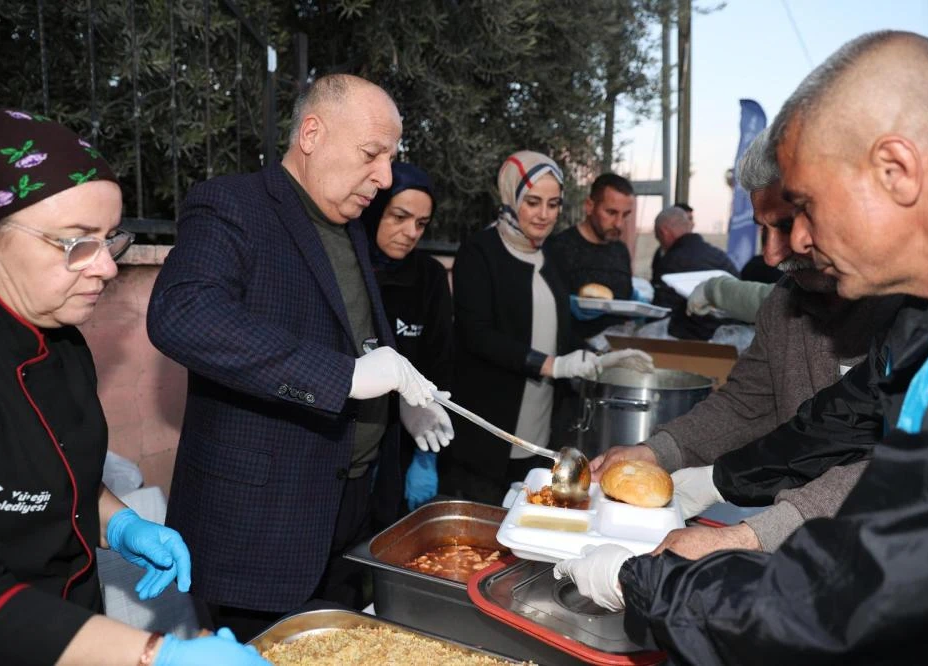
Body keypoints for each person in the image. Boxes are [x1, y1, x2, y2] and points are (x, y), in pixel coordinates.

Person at [556, 31, 928, 663]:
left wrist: (642, 583)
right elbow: (828, 426)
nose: (797, 243)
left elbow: (844, 609)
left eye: (805, 208)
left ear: (896, 170)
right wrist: (702, 476)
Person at [147, 74, 448, 638]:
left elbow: (353, 331)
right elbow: (182, 315)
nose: (384, 177)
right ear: (312, 133)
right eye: (371, 154)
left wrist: (402, 392)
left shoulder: (350, 225)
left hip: (350, 506)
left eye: (391, 159)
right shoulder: (231, 204)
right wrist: (345, 377)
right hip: (266, 523)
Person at [0, 110, 267, 665]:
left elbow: (61, 483)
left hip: (74, 628)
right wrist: (151, 654)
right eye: (76, 243)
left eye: (109, 239)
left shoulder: (64, 344)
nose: (107, 268)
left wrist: (120, 524)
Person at [591, 125, 904, 558]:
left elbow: (896, 462)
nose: (773, 255)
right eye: (764, 231)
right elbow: (748, 403)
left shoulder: (913, 309)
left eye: (787, 226)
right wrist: (660, 451)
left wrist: (751, 534)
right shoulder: (784, 303)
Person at [439, 151, 652, 505]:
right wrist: (551, 365)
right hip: (486, 435)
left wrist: (603, 359)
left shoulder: (550, 256)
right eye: (533, 202)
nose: (544, 215)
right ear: (511, 198)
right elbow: (476, 335)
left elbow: (558, 331)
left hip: (538, 429)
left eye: (553, 204)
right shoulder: (480, 252)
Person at [360, 162, 454, 512]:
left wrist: (426, 457)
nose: (411, 232)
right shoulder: (348, 269)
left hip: (405, 442)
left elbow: (441, 362)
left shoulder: (429, 276)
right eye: (398, 217)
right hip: (347, 444)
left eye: (421, 223)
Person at [543, 173, 636, 339]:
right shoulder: (559, 248)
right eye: (611, 212)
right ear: (589, 206)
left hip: (617, 351)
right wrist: (565, 305)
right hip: (573, 356)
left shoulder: (621, 251)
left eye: (626, 215)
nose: (619, 223)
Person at [650, 206, 741, 339]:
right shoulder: (720, 256)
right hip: (729, 339)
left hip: (689, 345)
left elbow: (661, 312)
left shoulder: (670, 262)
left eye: (658, 237)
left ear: (664, 233)